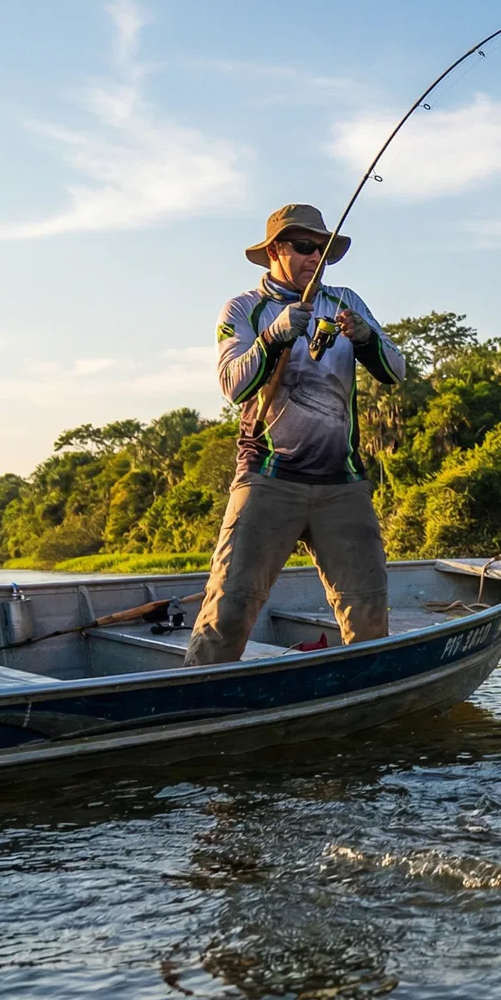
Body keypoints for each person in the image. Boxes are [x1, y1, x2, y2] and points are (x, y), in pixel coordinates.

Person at [184, 204, 408, 666]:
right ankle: (195, 700)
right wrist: (275, 336)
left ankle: (362, 700)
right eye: (305, 247)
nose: (315, 258)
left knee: (367, 612)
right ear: (275, 251)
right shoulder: (244, 308)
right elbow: (233, 385)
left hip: (342, 484)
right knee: (230, 605)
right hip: (267, 477)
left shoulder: (347, 300)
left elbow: (396, 369)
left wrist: (365, 336)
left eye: (323, 249)